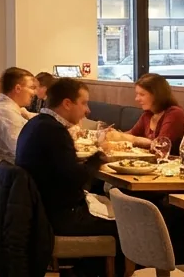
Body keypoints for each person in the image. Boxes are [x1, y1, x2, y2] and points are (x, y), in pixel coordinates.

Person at [15, 78, 116, 252]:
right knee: (127, 227)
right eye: (83, 103)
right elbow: (76, 179)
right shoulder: (54, 131)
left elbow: (62, 170)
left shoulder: (35, 124)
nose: (87, 110)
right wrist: (98, 158)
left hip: (38, 211)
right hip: (58, 218)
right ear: (67, 104)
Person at [111, 73, 184, 151]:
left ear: (157, 95)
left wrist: (127, 138)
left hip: (172, 162)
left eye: (142, 94)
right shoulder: (148, 114)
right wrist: (112, 134)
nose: (137, 99)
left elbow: (159, 145)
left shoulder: (175, 114)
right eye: (137, 94)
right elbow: (131, 134)